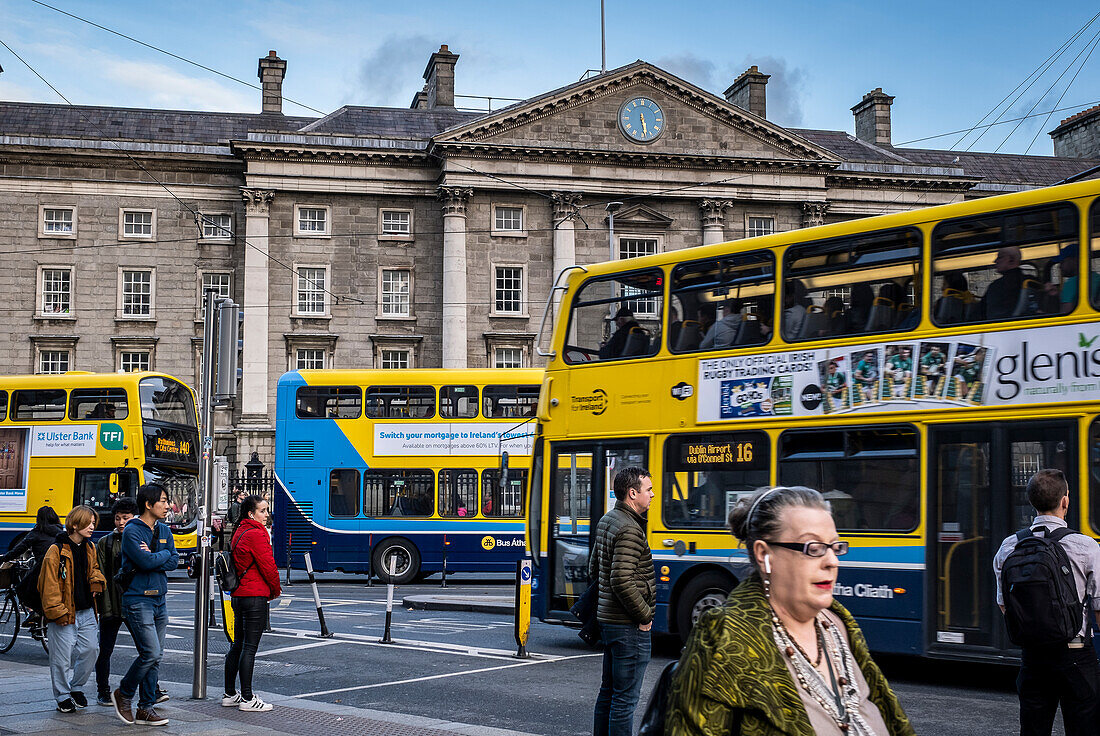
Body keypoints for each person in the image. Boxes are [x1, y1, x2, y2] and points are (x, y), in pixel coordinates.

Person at [665, 486, 914, 735]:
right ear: (764, 554)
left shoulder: (839, 624)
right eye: (813, 548)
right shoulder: (724, 637)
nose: (832, 561)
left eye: (835, 547)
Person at [993, 469, 1100, 736]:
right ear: (1065, 501)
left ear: (1031, 502)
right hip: (1076, 654)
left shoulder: (1008, 547)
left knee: (1033, 729)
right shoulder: (1086, 546)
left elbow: (1005, 605)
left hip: (1033, 657)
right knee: (1084, 728)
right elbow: (1098, 607)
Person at [590, 466, 656, 736]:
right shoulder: (630, 529)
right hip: (628, 625)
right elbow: (621, 580)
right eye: (648, 489)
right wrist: (644, 617)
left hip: (609, 621)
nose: (652, 495)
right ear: (632, 493)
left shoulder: (609, 519)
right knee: (625, 699)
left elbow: (595, 570)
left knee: (609, 692)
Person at [112, 483, 178, 727]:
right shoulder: (132, 531)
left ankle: (146, 708)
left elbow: (174, 559)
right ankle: (124, 693)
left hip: (159, 599)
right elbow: (145, 561)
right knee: (150, 652)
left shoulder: (164, 530)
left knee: (155, 657)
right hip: (139, 599)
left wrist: (155, 556)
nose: (167, 505)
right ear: (148, 504)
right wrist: (158, 557)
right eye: (162, 500)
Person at [38, 505, 105, 713]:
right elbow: (48, 585)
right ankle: (63, 695)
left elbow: (93, 570)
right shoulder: (56, 550)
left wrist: (96, 581)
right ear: (75, 524)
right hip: (64, 612)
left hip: (86, 611)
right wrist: (57, 612)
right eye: (88, 522)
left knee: (91, 649)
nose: (92, 526)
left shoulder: (89, 547)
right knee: (61, 657)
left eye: (94, 522)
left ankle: (76, 687)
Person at [223, 495, 282, 712]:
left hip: (238, 595)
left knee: (237, 645)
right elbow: (269, 566)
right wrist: (275, 590)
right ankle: (248, 698)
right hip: (254, 595)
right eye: (263, 511)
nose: (267, 515)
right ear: (251, 513)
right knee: (249, 648)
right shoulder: (257, 534)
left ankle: (229, 693)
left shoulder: (240, 531)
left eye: (267, 510)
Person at [95, 497, 138, 706]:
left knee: (146, 650)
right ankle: (103, 690)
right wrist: (103, 604)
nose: (121, 522)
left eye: (126, 518)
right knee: (105, 650)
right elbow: (100, 573)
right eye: (118, 518)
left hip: (133, 604)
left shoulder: (139, 538)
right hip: (111, 604)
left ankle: (153, 688)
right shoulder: (105, 542)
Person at [982, 245, 1026, 319]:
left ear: (1011, 260)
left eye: (1000, 257)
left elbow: (988, 314)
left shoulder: (999, 286)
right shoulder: (1026, 279)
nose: (995, 261)